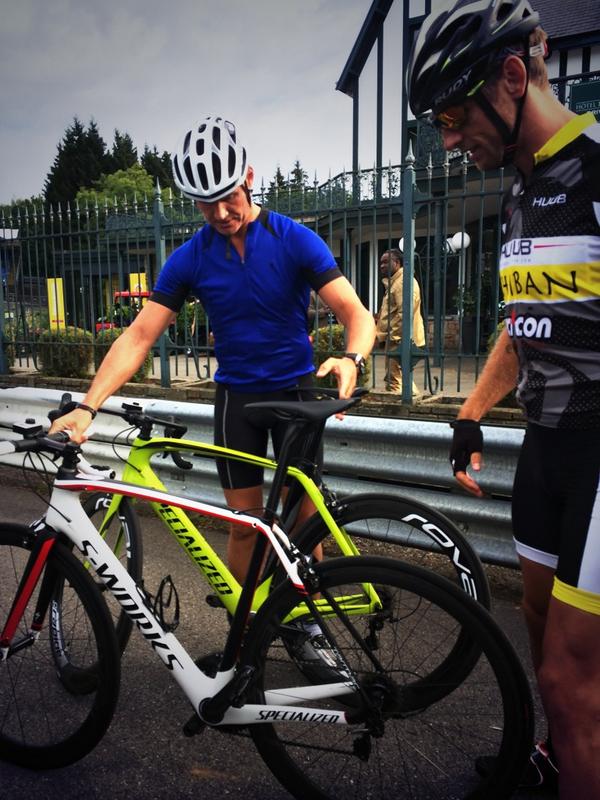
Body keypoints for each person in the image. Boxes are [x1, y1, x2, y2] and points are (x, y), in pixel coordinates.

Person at [50, 115, 375, 628]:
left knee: (301, 520)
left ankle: (309, 624)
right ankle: (248, 631)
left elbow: (357, 315)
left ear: (248, 176)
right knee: (245, 526)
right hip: (238, 402)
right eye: (207, 204)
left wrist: (352, 357)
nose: (222, 213)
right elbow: (138, 336)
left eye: (230, 197)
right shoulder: (190, 259)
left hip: (296, 392)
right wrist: (88, 407)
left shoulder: (293, 239)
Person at [408, 2, 600, 797]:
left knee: (566, 678)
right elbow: (524, 324)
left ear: (514, 77)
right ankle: (567, 754)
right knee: (536, 619)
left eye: (454, 113)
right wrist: (470, 413)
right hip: (544, 444)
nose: (450, 139)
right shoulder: (520, 191)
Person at [375, 248, 425, 396]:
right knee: (400, 377)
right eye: (380, 263)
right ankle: (413, 402)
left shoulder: (402, 282)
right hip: (397, 339)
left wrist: (395, 338)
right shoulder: (396, 282)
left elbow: (405, 314)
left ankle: (404, 409)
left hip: (400, 340)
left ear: (397, 262)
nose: (382, 266)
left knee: (394, 379)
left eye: (385, 262)